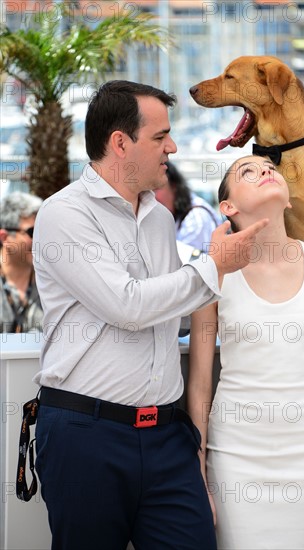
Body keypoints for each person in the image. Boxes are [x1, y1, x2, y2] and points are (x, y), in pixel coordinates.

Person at [32, 81, 269, 550]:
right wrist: (215, 265)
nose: (173, 148)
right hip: (86, 438)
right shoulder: (63, 215)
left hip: (166, 436)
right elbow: (129, 306)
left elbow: (167, 304)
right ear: (120, 142)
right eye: (160, 137)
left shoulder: (160, 219)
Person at [188, 155, 304, 549]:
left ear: (288, 201)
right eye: (248, 171)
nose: (265, 170)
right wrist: (198, 479)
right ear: (228, 208)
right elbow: (198, 388)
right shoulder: (213, 275)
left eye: (269, 167)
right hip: (234, 458)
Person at [0, 191, 43, 333]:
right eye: (32, 232)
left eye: (42, 231)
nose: (40, 239)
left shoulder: (53, 281)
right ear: (4, 237)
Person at [155, 161, 222, 251]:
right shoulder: (174, 215)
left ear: (174, 186)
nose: (151, 197)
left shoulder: (196, 218)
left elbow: (188, 262)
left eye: (155, 189)